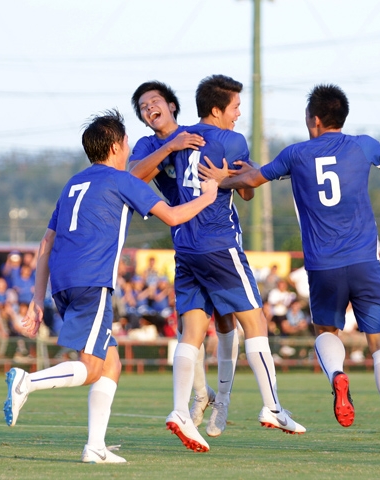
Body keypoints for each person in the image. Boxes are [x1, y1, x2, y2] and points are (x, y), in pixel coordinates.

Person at [201, 83, 380, 454]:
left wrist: (223, 180)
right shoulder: (362, 144)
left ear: (314, 119)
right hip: (364, 262)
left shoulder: (296, 154)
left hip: (323, 266)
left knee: (326, 330)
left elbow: (252, 179)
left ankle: (337, 375)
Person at [3, 109, 218, 464]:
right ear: (117, 146)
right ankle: (27, 382)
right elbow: (175, 216)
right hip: (93, 280)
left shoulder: (73, 183)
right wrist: (209, 195)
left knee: (111, 363)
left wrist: (36, 300)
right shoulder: (123, 179)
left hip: (63, 282)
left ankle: (95, 447)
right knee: (91, 367)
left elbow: (44, 245)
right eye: (127, 142)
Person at [161, 74, 306, 452]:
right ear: (216, 109)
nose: (239, 113)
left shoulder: (178, 138)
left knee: (192, 332)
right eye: (235, 107)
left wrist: (230, 176)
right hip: (218, 242)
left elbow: (243, 186)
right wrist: (230, 178)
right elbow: (248, 188)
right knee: (254, 323)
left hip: (185, 247)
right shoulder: (231, 139)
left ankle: (186, 409)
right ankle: (272, 406)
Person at [129, 80, 244, 440]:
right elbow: (133, 177)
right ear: (144, 119)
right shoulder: (150, 145)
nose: (150, 107)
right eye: (143, 106)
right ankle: (200, 396)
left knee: (226, 321)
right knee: (188, 328)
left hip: (218, 238)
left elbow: (244, 183)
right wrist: (170, 147)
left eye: (155, 100)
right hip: (185, 243)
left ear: (172, 105)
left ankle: (222, 399)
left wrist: (231, 177)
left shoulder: (200, 135)